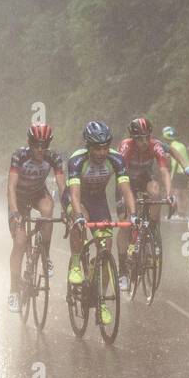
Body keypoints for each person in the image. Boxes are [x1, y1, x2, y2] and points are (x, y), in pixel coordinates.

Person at [65, 121, 135, 322]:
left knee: (106, 245)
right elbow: (75, 196)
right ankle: (77, 264)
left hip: (98, 200)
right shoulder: (77, 161)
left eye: (105, 147)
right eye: (97, 148)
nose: (102, 152)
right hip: (75, 198)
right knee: (81, 220)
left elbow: (126, 189)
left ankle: (101, 301)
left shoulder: (116, 159)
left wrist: (134, 214)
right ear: (88, 146)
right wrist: (77, 216)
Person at [6, 124, 65, 313]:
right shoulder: (19, 156)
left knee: (48, 208)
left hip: (38, 193)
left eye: (44, 145)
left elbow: (62, 186)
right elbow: (11, 186)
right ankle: (14, 291)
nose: (40, 149)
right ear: (29, 143)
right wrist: (15, 213)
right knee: (20, 242)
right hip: (19, 199)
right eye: (37, 145)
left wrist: (68, 208)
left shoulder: (53, 157)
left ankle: (46, 257)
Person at [117, 116, 174, 280]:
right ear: (133, 138)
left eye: (146, 137)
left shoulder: (155, 145)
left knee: (156, 191)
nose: (143, 142)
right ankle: (122, 269)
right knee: (126, 224)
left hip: (144, 180)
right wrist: (130, 205)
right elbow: (121, 176)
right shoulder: (126, 147)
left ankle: (152, 228)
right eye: (139, 139)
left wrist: (169, 194)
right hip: (126, 182)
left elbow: (163, 171)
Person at [161, 125, 189, 219]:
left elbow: (174, 164)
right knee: (184, 193)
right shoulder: (181, 145)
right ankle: (186, 213)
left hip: (178, 172)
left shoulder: (172, 146)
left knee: (176, 193)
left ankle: (179, 213)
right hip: (186, 171)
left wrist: (170, 178)